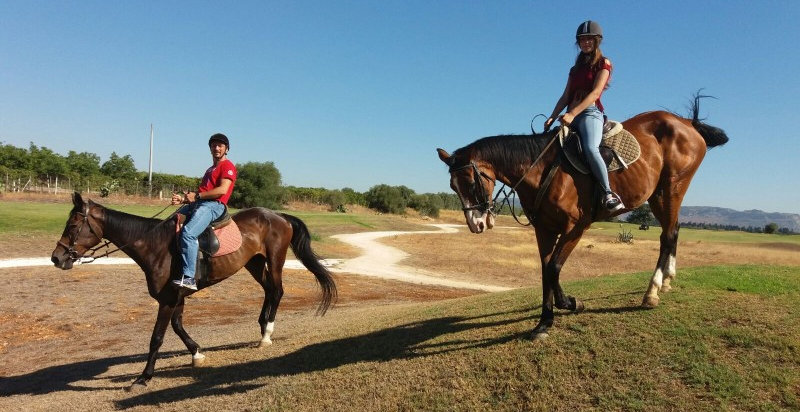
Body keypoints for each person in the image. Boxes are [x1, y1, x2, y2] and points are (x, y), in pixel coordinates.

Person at [544, 20, 624, 212]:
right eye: (582, 40)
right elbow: (565, 96)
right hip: (569, 115)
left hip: (590, 113)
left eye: (589, 39)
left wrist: (572, 113)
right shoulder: (574, 70)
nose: (585, 42)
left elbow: (595, 93)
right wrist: (553, 116)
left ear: (597, 41)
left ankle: (608, 193)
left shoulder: (603, 63)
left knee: (590, 148)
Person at [171, 133, 237, 290]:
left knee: (188, 233)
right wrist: (183, 199)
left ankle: (189, 278)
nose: (216, 148)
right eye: (213, 145)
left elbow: (222, 190)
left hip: (214, 206)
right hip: (201, 203)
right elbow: (202, 193)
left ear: (227, 149)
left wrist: (197, 196)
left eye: (220, 145)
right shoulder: (210, 169)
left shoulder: (228, 166)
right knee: (171, 221)